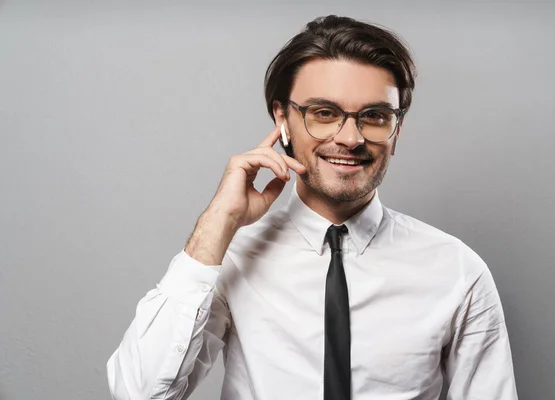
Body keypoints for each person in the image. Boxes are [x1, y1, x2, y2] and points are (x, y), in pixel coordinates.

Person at [107, 15, 518, 400]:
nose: (350, 137)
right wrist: (219, 222)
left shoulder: (456, 271)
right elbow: (139, 394)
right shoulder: (231, 255)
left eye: (374, 116)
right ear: (282, 119)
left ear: (397, 130)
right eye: (324, 113)